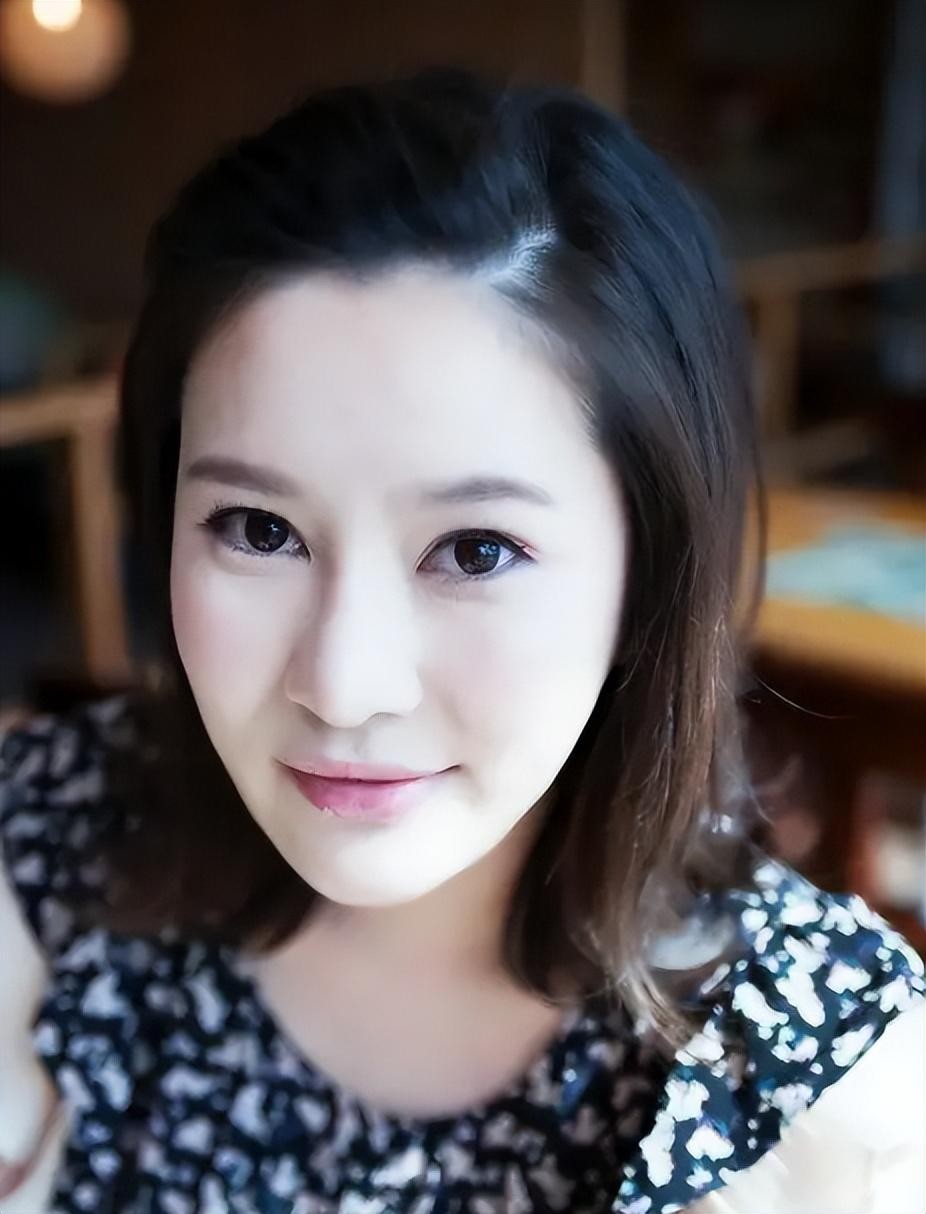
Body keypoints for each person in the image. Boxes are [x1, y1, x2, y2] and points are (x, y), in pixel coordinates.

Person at [0, 66, 923, 1214]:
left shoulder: (821, 1093)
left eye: (475, 550)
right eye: (258, 528)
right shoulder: (45, 847)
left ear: (647, 573)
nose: (343, 684)